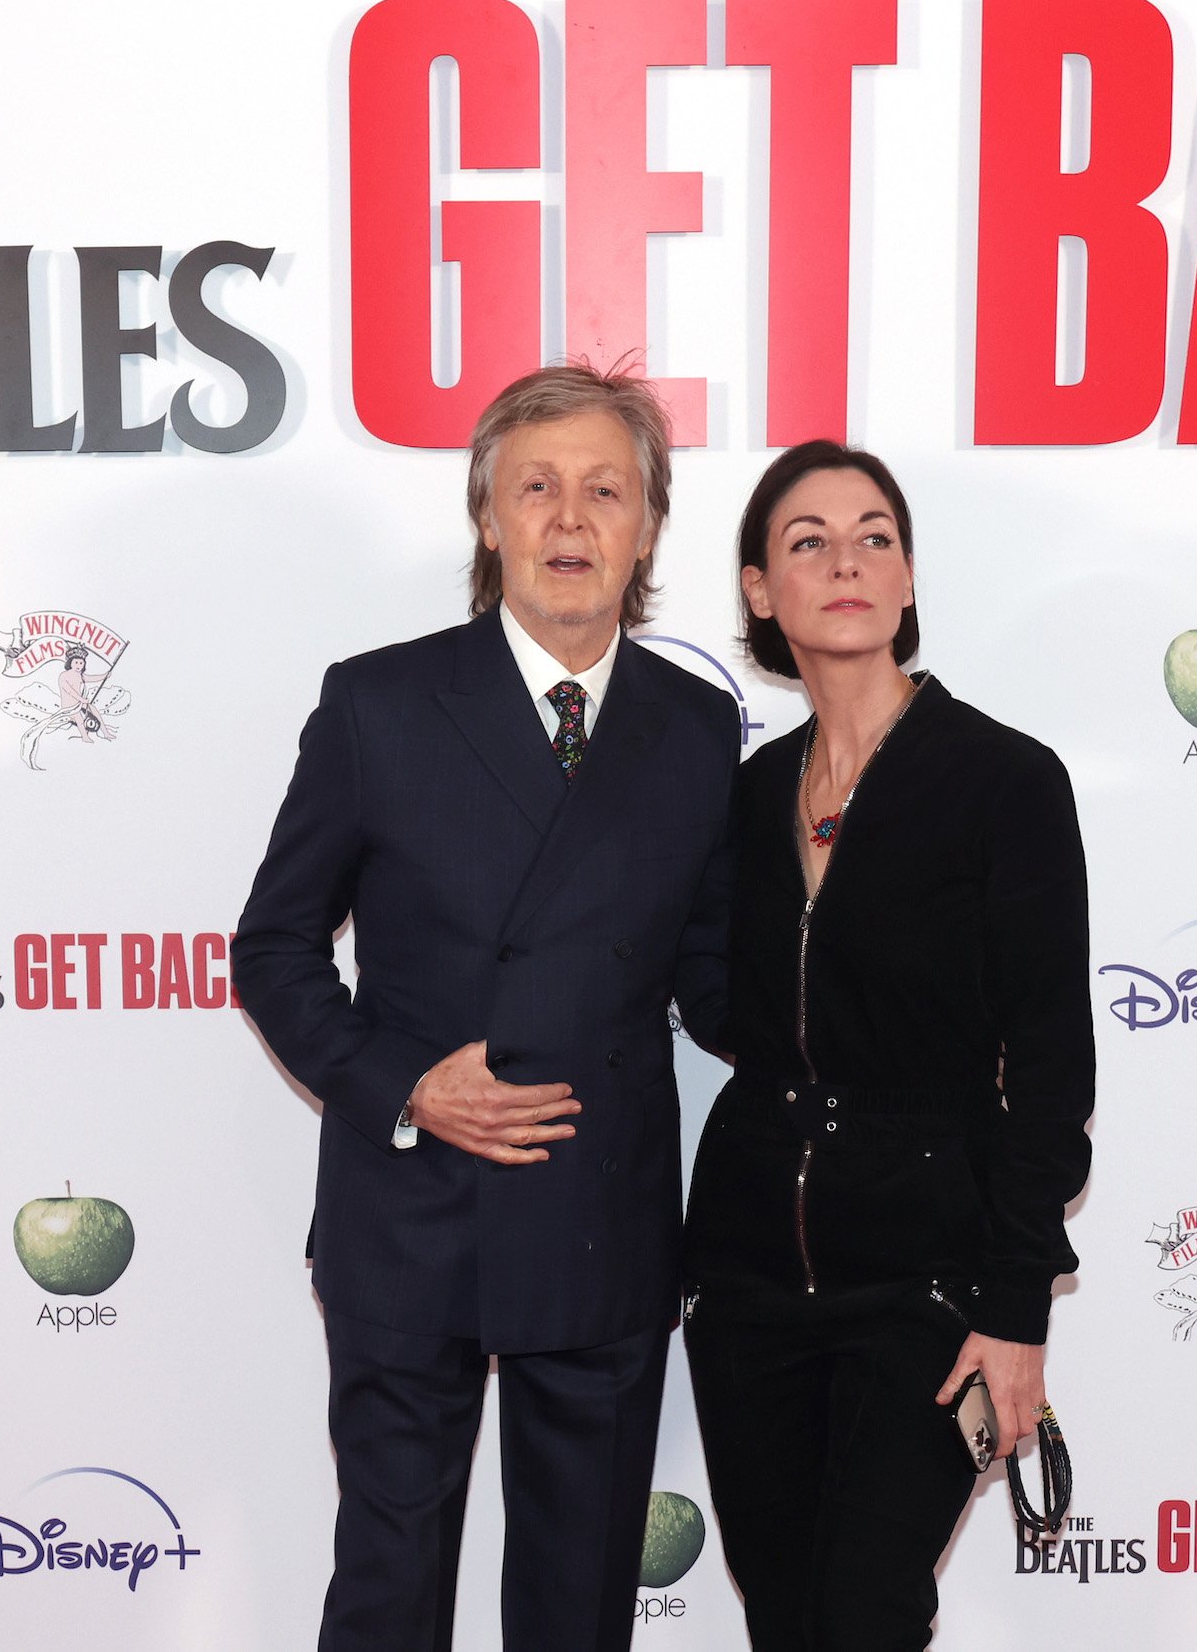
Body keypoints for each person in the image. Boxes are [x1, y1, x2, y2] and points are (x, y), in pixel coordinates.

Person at [233, 363, 737, 1652]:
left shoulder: (696, 725)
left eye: (606, 490)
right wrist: (405, 1081)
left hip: (601, 1215)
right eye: (539, 487)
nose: (572, 518)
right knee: (390, 1592)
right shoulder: (380, 702)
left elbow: (718, 975)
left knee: (578, 1608)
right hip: (411, 1217)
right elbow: (275, 946)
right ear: (490, 516)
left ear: (647, 526)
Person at [681, 440, 1094, 1650]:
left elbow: (1052, 1062)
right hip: (751, 1276)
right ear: (761, 589)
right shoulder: (750, 795)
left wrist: (1016, 1308)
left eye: (875, 536)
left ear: (909, 579)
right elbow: (740, 1005)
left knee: (864, 1614)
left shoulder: (1004, 780)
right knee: (788, 1614)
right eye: (807, 540)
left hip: (929, 1282)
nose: (846, 560)